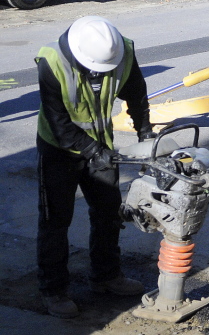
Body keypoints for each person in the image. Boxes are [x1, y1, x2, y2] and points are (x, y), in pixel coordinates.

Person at [35, 16, 153, 318]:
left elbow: (136, 95)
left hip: (100, 145)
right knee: (55, 220)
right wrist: (93, 151)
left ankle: (106, 277)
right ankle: (55, 290)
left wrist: (146, 134)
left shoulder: (121, 52)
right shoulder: (52, 62)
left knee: (108, 212)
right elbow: (59, 123)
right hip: (58, 150)